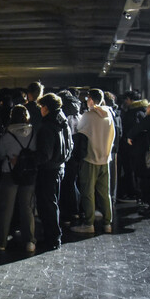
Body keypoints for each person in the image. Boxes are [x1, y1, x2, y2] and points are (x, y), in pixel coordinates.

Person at [71, 89, 116, 234]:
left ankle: (89, 223)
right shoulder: (109, 114)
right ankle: (107, 223)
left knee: (88, 192)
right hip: (105, 159)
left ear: (90, 99)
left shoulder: (88, 116)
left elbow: (78, 130)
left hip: (90, 158)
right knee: (105, 192)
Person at [0, 105, 37, 252]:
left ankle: (1, 242)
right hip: (29, 174)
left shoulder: (7, 135)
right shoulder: (33, 133)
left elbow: (0, 153)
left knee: (6, 208)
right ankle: (30, 241)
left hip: (10, 173)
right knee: (27, 208)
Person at [34, 93, 72, 250]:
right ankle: (55, 236)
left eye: (41, 107)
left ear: (46, 108)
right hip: (59, 167)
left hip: (48, 171)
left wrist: (30, 159)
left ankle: (52, 238)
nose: (40, 110)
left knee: (47, 205)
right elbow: (70, 146)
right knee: (53, 203)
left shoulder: (47, 126)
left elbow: (44, 154)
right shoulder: (63, 123)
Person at [57, 89, 82, 226]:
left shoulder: (63, 114)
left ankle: (68, 212)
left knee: (66, 183)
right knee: (73, 182)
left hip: (66, 153)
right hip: (77, 153)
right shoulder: (78, 111)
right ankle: (76, 210)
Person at [118, 90, 148, 202]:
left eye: (126, 99)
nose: (125, 102)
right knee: (139, 171)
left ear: (130, 99)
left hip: (131, 148)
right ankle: (139, 193)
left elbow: (131, 131)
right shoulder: (144, 111)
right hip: (141, 148)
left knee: (130, 170)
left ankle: (133, 192)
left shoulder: (133, 113)